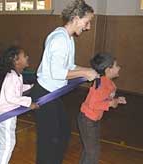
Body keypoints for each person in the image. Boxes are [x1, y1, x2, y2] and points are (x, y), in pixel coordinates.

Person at [30, 0, 98, 163]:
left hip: (53, 94)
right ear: (76, 18)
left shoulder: (68, 38)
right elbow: (58, 72)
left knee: (63, 132)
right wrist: (84, 72)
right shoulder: (59, 39)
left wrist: (88, 71)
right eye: (87, 22)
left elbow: (69, 66)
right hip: (44, 94)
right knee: (50, 140)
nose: (88, 27)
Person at [77, 53, 127, 164]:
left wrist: (117, 100)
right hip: (87, 120)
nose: (119, 67)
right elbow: (93, 104)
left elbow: (104, 100)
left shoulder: (108, 83)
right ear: (108, 70)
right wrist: (110, 104)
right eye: (116, 65)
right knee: (93, 153)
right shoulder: (101, 84)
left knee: (90, 151)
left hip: (92, 120)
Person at [0, 46, 39, 164]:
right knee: (8, 144)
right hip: (6, 114)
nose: (27, 57)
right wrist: (29, 103)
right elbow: (11, 97)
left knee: (3, 142)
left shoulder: (17, 75)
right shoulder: (12, 76)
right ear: (16, 60)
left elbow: (17, 90)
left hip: (6, 113)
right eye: (24, 56)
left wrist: (31, 88)